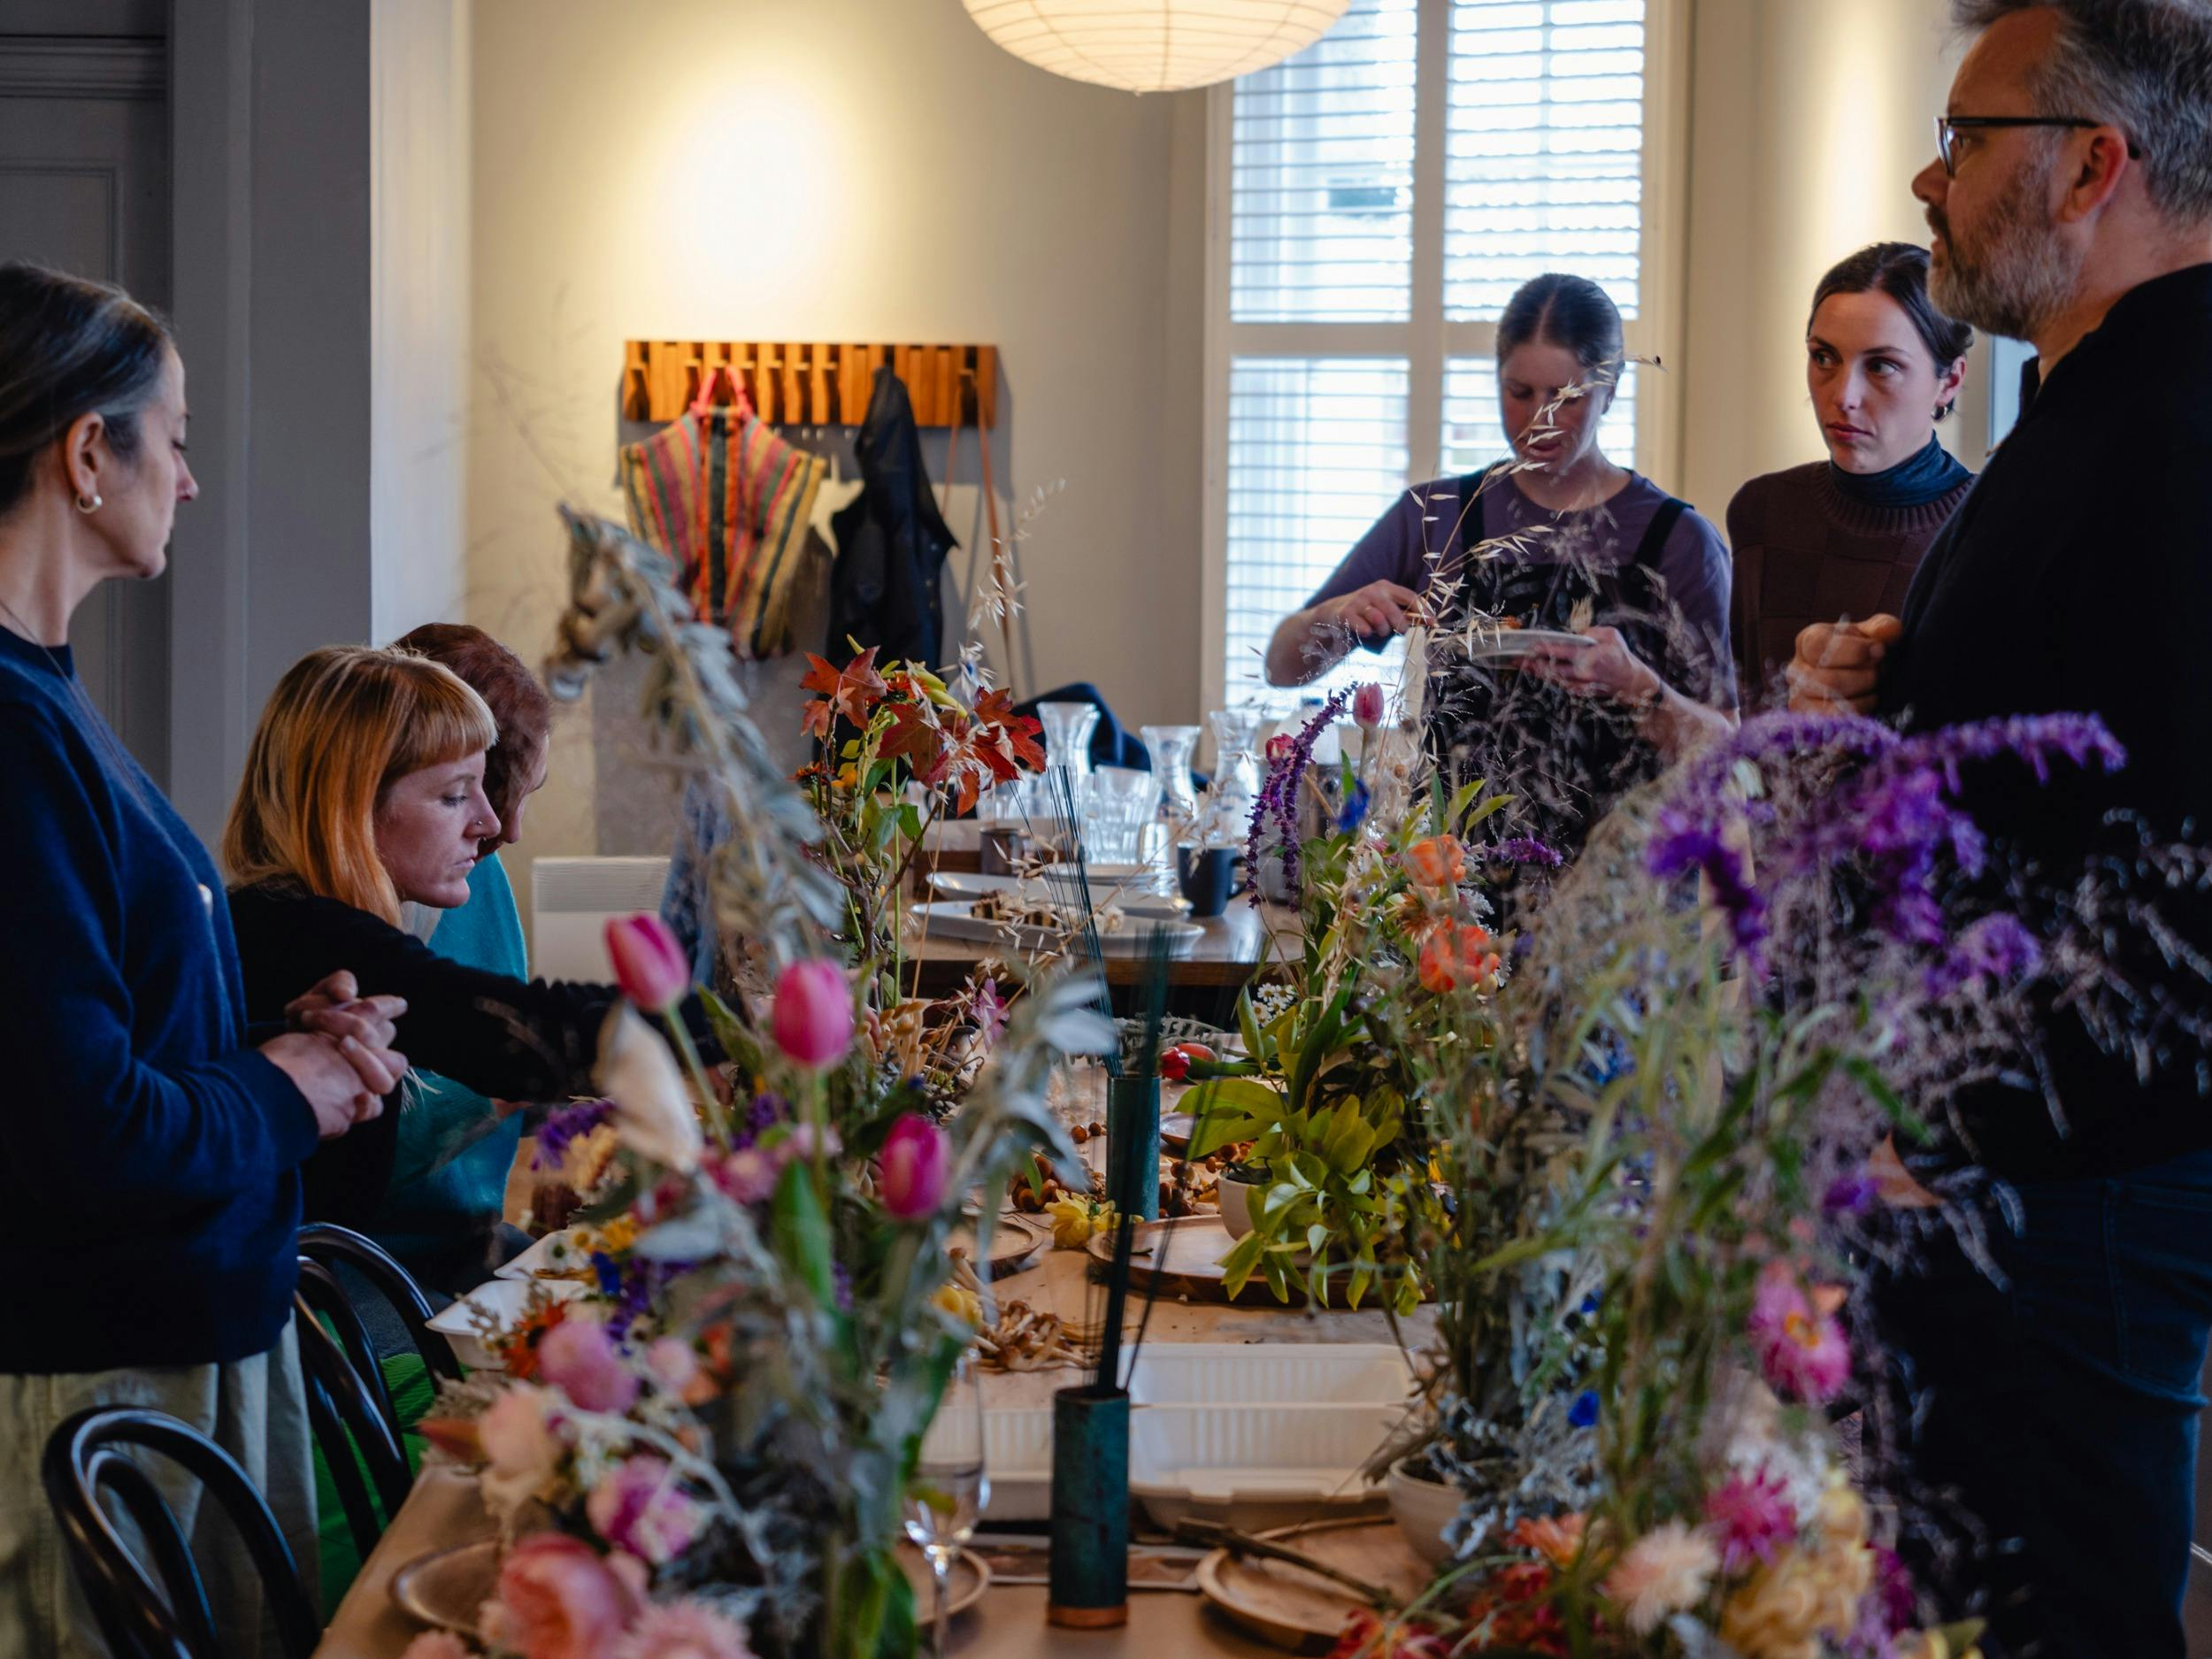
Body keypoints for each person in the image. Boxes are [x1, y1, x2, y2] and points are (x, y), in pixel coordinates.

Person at [1785, 4, 2212, 1652]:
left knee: (2060, 1621)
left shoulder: (2170, 438)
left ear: (2095, 163)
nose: (1925, 177)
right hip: (2009, 1176)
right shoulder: (2087, 410)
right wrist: (1874, 702)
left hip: (2073, 1199)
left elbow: (2177, 885)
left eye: (1964, 141)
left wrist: (1958, 1132)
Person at [0, 264, 403, 1657]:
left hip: (178, 1348)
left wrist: (271, 1034)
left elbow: (93, 1025)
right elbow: (79, 1130)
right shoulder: (9, 725)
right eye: (171, 438)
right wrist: (284, 1089)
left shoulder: (43, 695)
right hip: (98, 1370)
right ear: (86, 449)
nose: (190, 480)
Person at [1267, 273, 1734, 861]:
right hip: (1451, 897)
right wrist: (1337, 615)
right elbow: (1282, 665)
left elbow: (1726, 749)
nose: (1539, 419)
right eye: (1518, 392)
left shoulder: (1678, 540)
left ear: (1610, 388)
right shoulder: (1438, 516)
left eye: (1564, 397)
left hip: (1624, 906)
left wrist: (1635, 684)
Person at [223, 645, 640, 1233]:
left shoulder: (285, 913)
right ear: (354, 805)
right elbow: (513, 1030)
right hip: (324, 1304)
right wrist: (725, 1029)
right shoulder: (308, 934)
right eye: (454, 794)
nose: (492, 823)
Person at [373, 623, 554, 1294]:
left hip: (472, 1239)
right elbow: (359, 1160)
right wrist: (505, 1081)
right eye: (462, 794)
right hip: (389, 1267)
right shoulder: (347, 922)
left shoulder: (480, 876)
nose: (508, 827)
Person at [1726, 243, 1975, 697]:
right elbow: (1745, 718)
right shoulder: (1762, 511)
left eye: (1881, 366)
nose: (1845, 396)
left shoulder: (1984, 531)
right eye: (1824, 357)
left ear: (1950, 381)